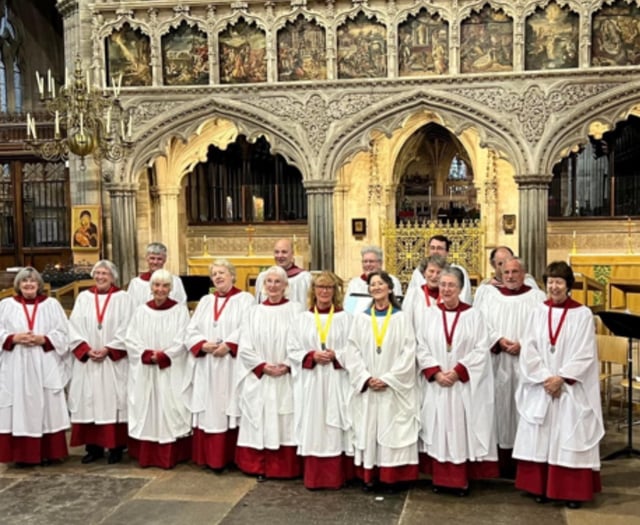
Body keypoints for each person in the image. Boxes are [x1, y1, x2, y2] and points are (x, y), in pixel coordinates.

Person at [513, 261, 604, 509]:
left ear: (568, 285)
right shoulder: (537, 312)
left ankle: (571, 490)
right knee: (540, 435)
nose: (554, 287)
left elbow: (585, 353)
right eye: (550, 281)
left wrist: (561, 377)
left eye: (559, 282)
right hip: (542, 385)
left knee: (569, 434)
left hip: (569, 388)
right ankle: (540, 487)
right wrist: (545, 377)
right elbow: (528, 348)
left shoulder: (583, 314)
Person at [415, 267, 498, 495]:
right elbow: (420, 346)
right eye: (443, 285)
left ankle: (460, 480)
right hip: (438, 384)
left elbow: (482, 348)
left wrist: (459, 370)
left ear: (461, 288)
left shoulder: (474, 315)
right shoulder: (429, 314)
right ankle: (440, 479)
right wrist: (436, 371)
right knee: (439, 428)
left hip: (462, 385)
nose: (446, 289)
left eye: (451, 285)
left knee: (461, 430)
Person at [345, 271, 419, 491]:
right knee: (369, 429)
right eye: (372, 284)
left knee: (393, 430)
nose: (376, 287)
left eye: (380, 283)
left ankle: (392, 477)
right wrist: (366, 378)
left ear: (389, 288)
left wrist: (389, 378)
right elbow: (352, 350)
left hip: (392, 388)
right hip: (369, 386)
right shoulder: (361, 318)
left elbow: (409, 351)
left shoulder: (401, 317)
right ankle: (371, 475)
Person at [473, 257, 545, 478]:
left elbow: (543, 328)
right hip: (497, 363)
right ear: (500, 274)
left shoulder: (537, 298)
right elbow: (479, 324)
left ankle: (523, 462)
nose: (511, 276)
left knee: (523, 409)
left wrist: (524, 344)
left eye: (515, 272)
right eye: (507, 273)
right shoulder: (490, 297)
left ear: (524, 274)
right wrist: (498, 341)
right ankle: (500, 462)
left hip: (527, 363)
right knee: (499, 409)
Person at [184, 259, 254, 472]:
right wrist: (201, 344)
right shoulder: (205, 300)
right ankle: (210, 457)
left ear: (232, 275)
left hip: (230, 364)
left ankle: (229, 457)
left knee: (228, 406)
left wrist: (230, 344)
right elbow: (191, 329)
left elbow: (248, 326)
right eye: (214, 274)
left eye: (222, 273)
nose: (218, 277)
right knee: (209, 409)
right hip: (207, 364)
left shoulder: (245, 299)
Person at [235, 265, 305, 480]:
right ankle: (259, 466)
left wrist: (287, 364)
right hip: (261, 376)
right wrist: (262, 366)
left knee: (286, 419)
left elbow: (303, 340)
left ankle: (285, 468)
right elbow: (245, 345)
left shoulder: (297, 310)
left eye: (277, 282)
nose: (273, 286)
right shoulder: (253, 312)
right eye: (269, 281)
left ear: (285, 286)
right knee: (260, 417)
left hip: (286, 376)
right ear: (263, 286)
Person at [287, 271, 354, 489]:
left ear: (336, 292)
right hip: (311, 381)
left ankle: (336, 476)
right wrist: (311, 356)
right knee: (314, 425)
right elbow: (292, 349)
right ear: (313, 291)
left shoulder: (346, 319)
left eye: (329, 288)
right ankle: (315, 477)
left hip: (337, 379)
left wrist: (337, 355)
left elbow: (354, 349)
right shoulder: (301, 319)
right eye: (320, 287)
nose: (324, 291)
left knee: (335, 426)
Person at [0, 267, 70, 466]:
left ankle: (50, 452)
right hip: (16, 363)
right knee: (18, 406)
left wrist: (44, 339)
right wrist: (13, 337)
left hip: (43, 360)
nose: (28, 285)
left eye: (32, 281)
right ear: (18, 285)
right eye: (24, 281)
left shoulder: (52, 305)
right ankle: (22, 455)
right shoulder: (6, 305)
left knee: (47, 404)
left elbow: (64, 332)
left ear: (39, 285)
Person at [68, 260, 133, 464]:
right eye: (97, 273)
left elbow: (129, 327)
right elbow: (74, 326)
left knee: (113, 400)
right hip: (89, 361)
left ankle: (116, 447)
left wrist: (109, 348)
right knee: (90, 401)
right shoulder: (84, 298)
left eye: (105, 273)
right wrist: (85, 349)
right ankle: (93, 447)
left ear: (113, 276)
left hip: (112, 361)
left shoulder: (124, 298)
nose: (101, 277)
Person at [125, 269, 192, 469]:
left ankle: (170, 455)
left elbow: (183, 338)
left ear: (170, 289)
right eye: (156, 285)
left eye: (164, 286)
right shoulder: (141, 311)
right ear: (150, 288)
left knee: (169, 406)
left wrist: (165, 355)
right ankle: (148, 455)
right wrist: (145, 354)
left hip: (170, 368)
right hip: (146, 369)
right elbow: (131, 338)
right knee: (147, 405)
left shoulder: (180, 311)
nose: (160, 290)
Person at [407, 235, 472, 304]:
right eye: (432, 248)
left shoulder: (458, 271)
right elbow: (411, 298)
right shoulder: (418, 272)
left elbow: (464, 298)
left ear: (447, 252)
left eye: (439, 248)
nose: (435, 251)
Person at [344, 246, 404, 314]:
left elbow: (397, 305)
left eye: (371, 261)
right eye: (365, 261)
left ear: (380, 263)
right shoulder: (354, 283)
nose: (367, 264)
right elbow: (348, 310)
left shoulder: (392, 281)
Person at [255, 238, 311, 305]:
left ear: (292, 254)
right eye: (277, 252)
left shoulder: (303, 278)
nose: (280, 256)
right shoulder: (264, 277)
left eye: (284, 252)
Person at [401, 254, 447, 329]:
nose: (434, 276)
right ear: (424, 273)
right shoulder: (414, 295)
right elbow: (406, 324)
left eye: (439, 272)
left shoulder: (448, 296)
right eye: (431, 271)